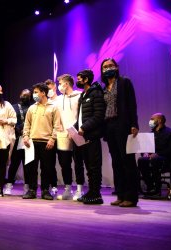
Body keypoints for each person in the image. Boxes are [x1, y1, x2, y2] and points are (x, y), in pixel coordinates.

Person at [101, 58, 140, 207]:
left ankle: (131, 197)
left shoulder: (124, 82)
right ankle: (121, 194)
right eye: (105, 66)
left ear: (116, 67)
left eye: (110, 65)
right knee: (116, 162)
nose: (108, 68)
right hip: (109, 126)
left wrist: (134, 123)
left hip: (122, 125)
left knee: (127, 161)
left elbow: (132, 104)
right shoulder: (104, 88)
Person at [22, 82, 61, 200]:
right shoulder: (32, 108)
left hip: (47, 142)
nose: (33, 94)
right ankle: (32, 190)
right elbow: (26, 124)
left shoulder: (53, 107)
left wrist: (52, 139)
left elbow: (57, 125)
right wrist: (25, 136)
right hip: (32, 142)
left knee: (47, 168)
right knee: (31, 168)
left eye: (35, 92)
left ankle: (45, 190)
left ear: (43, 93)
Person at [75, 69, 105, 205]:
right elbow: (82, 117)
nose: (78, 81)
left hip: (92, 136)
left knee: (94, 166)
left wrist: (84, 127)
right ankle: (91, 192)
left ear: (86, 79)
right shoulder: (83, 95)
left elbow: (98, 115)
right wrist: (75, 129)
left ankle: (96, 194)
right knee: (88, 166)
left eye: (79, 79)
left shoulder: (96, 92)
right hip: (84, 137)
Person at [55, 74, 84, 201]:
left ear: (66, 84)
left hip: (77, 133)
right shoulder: (58, 99)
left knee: (78, 163)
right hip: (63, 135)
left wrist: (76, 130)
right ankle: (68, 189)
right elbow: (57, 117)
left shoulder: (79, 95)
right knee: (64, 163)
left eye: (60, 83)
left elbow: (82, 115)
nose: (59, 86)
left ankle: (79, 190)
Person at [138, 113, 171, 197]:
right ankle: (150, 186)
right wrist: (145, 153)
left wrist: (157, 154)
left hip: (166, 160)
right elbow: (145, 148)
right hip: (151, 160)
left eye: (152, 119)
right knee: (141, 159)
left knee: (156, 159)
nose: (150, 121)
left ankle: (157, 189)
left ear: (159, 120)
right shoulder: (151, 134)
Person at [4, 89, 32, 195]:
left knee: (27, 164)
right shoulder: (14, 107)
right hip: (16, 138)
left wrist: (26, 131)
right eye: (23, 95)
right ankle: (9, 185)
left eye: (28, 95)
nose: (25, 97)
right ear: (20, 95)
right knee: (14, 164)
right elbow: (10, 120)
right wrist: (18, 128)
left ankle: (27, 187)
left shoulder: (32, 107)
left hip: (28, 139)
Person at [45, 79, 59, 197]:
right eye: (46, 89)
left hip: (63, 135)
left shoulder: (60, 100)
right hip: (50, 136)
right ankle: (52, 185)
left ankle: (69, 188)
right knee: (50, 163)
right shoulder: (46, 102)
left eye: (49, 89)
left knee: (65, 163)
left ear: (55, 87)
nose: (48, 91)